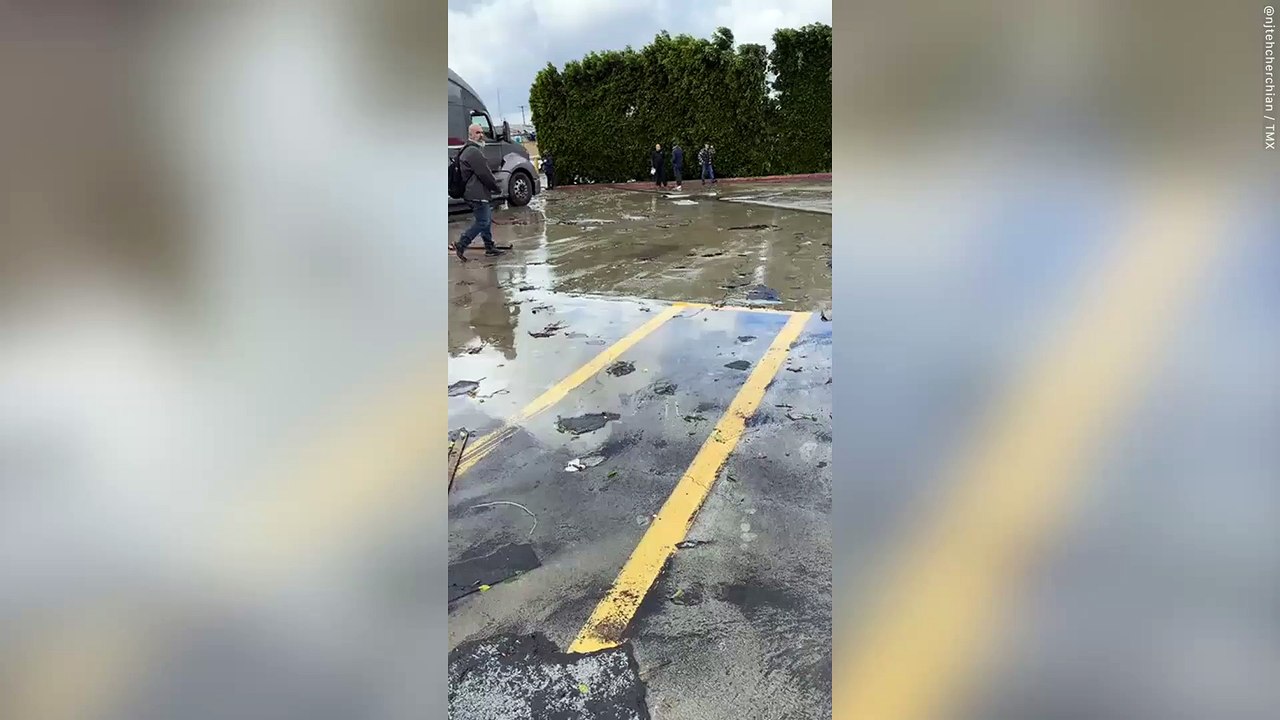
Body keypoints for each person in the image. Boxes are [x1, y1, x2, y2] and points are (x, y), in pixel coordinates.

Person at [453, 123, 504, 261]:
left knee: (485, 221)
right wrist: (497, 188)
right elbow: (484, 174)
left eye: (482, 132)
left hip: (474, 192)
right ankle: (462, 243)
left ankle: (489, 247)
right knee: (482, 221)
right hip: (476, 193)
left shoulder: (467, 149)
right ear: (470, 135)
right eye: (477, 133)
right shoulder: (473, 152)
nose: (481, 135)